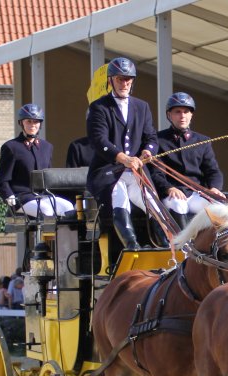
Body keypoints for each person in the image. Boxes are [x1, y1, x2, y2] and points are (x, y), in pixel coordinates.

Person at [86, 57, 161, 250]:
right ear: (111, 80)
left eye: (128, 79)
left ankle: (167, 246)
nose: (124, 83)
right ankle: (131, 247)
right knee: (120, 199)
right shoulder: (99, 107)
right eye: (120, 79)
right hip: (109, 171)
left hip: (136, 172)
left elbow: (151, 136)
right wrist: (124, 159)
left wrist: (147, 151)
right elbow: (99, 140)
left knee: (153, 204)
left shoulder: (141, 106)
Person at [152, 91, 225, 228]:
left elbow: (213, 171)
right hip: (171, 195)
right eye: (177, 112)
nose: (182, 116)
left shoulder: (203, 141)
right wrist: (169, 188)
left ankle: (216, 248)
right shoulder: (158, 140)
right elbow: (156, 173)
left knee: (219, 207)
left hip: (195, 194)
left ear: (191, 115)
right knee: (178, 205)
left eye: (186, 112)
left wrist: (215, 188)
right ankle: (184, 245)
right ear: (169, 115)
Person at [0, 104, 75, 218]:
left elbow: (48, 176)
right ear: (21, 123)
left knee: (68, 207)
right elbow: (2, 180)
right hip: (22, 197)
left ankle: (63, 236)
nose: (32, 125)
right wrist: (9, 196)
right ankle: (44, 236)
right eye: (28, 121)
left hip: (44, 195)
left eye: (36, 122)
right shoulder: (11, 147)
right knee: (47, 211)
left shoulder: (47, 147)